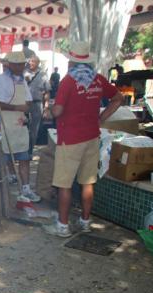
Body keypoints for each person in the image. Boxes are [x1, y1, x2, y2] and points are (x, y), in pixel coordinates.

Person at [44, 41, 123, 237]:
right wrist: (101, 118)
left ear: (71, 61)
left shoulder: (68, 82)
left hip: (70, 139)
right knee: (88, 182)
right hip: (92, 137)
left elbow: (59, 110)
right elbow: (118, 98)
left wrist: (49, 112)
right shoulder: (97, 80)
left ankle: (62, 226)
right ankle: (85, 221)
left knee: (64, 184)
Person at [0, 51, 40, 202]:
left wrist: (26, 106)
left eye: (22, 64)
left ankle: (26, 189)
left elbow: (28, 100)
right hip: (5, 124)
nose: (21, 67)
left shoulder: (22, 80)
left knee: (24, 158)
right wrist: (17, 108)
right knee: (5, 157)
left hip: (20, 125)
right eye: (18, 64)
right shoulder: (0, 81)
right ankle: (5, 188)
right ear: (10, 65)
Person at [25, 56, 51, 157]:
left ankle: (30, 151)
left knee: (34, 129)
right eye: (30, 61)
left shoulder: (43, 75)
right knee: (22, 128)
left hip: (36, 103)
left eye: (33, 61)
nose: (30, 63)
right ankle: (22, 150)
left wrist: (46, 106)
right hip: (24, 104)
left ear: (37, 63)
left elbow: (47, 91)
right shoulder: (24, 73)